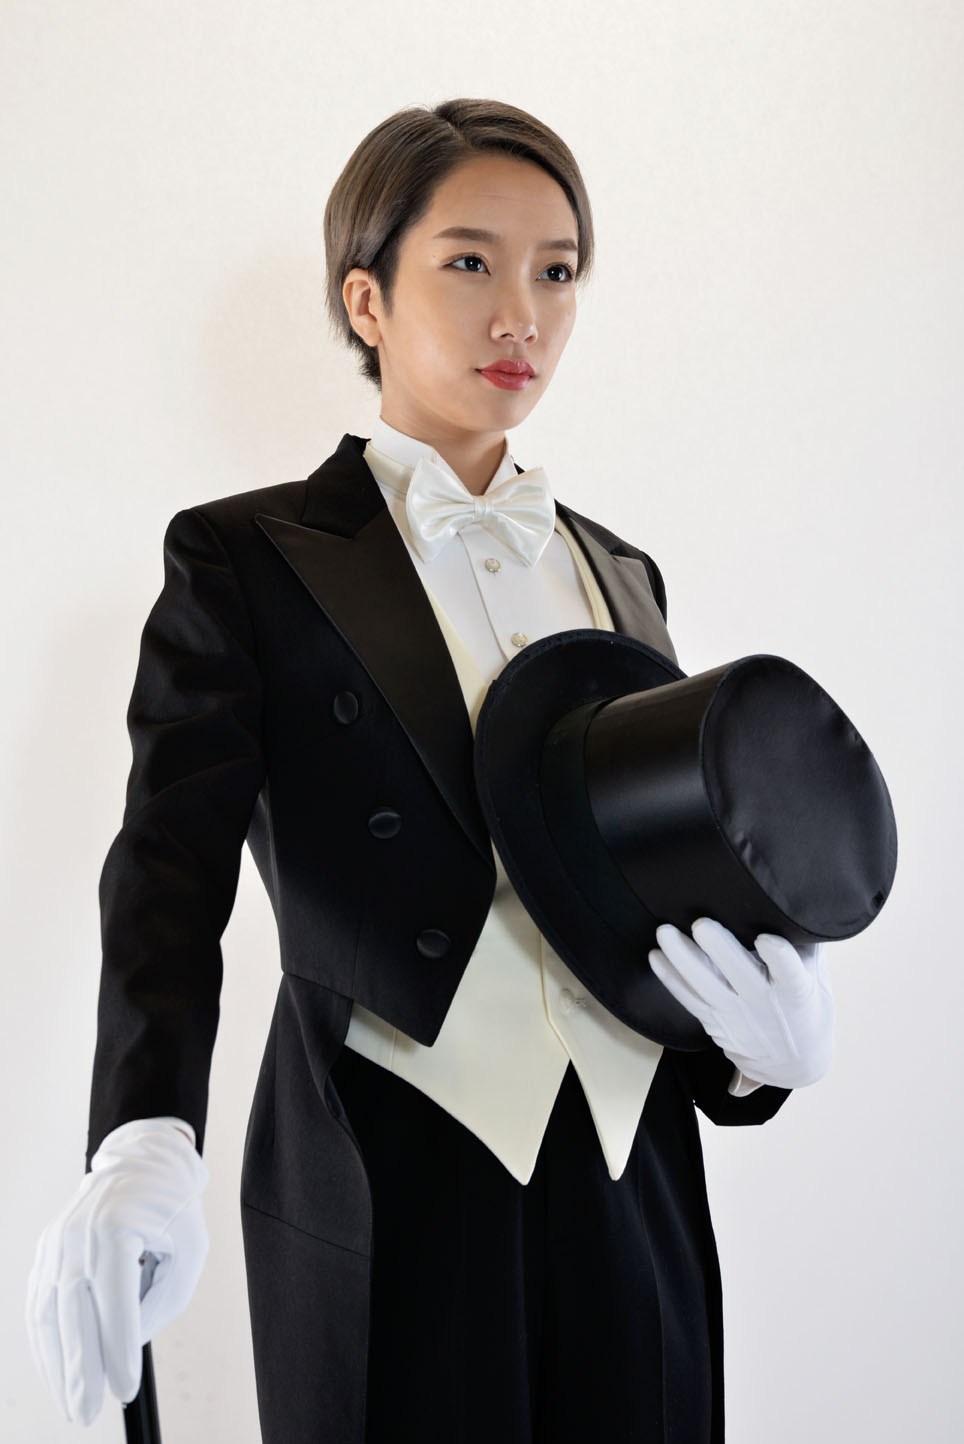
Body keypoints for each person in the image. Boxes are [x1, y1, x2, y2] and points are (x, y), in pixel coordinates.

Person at [26, 98, 834, 1443]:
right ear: (367, 298)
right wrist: (144, 1132)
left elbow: (667, 871)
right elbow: (168, 864)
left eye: (557, 271)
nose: (522, 313)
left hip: (631, 1163)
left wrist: (756, 1057)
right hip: (387, 1164)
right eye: (470, 261)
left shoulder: (623, 574)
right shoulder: (244, 559)